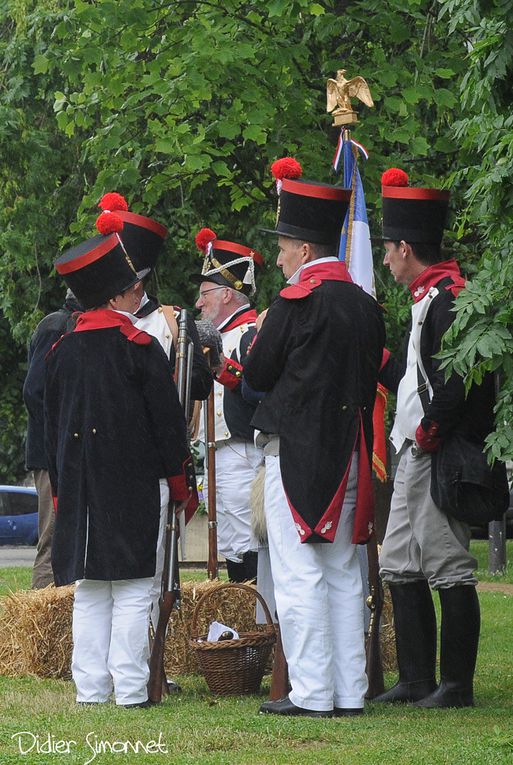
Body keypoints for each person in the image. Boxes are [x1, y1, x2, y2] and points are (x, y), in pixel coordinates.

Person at [244, 160, 385, 717]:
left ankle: (311, 693)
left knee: (299, 574)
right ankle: (349, 693)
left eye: (282, 246)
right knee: (344, 573)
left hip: (297, 451)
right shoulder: (364, 306)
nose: (278, 257)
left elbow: (256, 374)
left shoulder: (296, 300)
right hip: (347, 450)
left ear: (303, 249)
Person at [45, 211, 193, 708]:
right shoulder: (141, 347)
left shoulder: (62, 351)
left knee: (90, 590)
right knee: (131, 588)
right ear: (112, 296)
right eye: (131, 288)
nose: (139, 294)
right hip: (133, 483)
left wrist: (64, 489)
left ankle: (91, 689)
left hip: (81, 486)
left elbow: (51, 430)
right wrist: (179, 483)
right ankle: (130, 689)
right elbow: (169, 428)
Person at [375, 167, 488, 708]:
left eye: (388, 250)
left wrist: (428, 433)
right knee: (398, 557)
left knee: (446, 562)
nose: (386, 260)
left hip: (432, 449)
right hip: (413, 447)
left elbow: (459, 381)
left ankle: (456, 686)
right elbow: (414, 375)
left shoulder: (448, 298)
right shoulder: (426, 298)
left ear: (404, 247)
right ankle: (416, 679)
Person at [95, 192, 211, 634]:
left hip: (158, 456)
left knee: (158, 565)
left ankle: (154, 650)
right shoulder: (92, 321)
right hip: (111, 457)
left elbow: (198, 386)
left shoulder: (172, 321)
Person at [190, 228, 264, 582]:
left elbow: (256, 388)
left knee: (247, 543)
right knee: (234, 544)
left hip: (242, 451)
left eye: (205, 294)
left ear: (228, 295)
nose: (198, 303)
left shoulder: (252, 332)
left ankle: (256, 623)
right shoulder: (219, 335)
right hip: (221, 453)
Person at [23, 289, 82, 589]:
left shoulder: (64, 323)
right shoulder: (57, 326)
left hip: (59, 448)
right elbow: (35, 391)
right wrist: (60, 438)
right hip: (52, 453)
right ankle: (42, 615)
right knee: (52, 537)